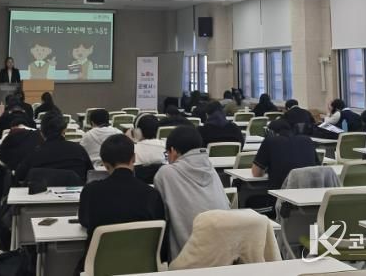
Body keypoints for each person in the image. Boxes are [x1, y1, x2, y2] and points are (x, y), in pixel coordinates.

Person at [77, 135, 166, 270]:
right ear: (134, 158)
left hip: (99, 268)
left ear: (104, 164)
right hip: (142, 268)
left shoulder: (90, 191)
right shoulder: (151, 194)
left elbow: (84, 221)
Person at [154, 125, 229, 259]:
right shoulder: (211, 169)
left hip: (188, 259)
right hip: (223, 254)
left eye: (167, 154)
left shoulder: (166, 173)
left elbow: (161, 217)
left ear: (173, 151)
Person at [15, 111, 93, 184]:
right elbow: (91, 174)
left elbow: (19, 176)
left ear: (41, 132)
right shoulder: (79, 150)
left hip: (40, 194)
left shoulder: (34, 153)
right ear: (64, 130)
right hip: (76, 193)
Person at [251, 119, 319, 189]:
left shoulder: (270, 141)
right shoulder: (307, 140)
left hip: (281, 191)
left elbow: (256, 173)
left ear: (271, 132)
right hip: (308, 190)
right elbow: (317, 168)